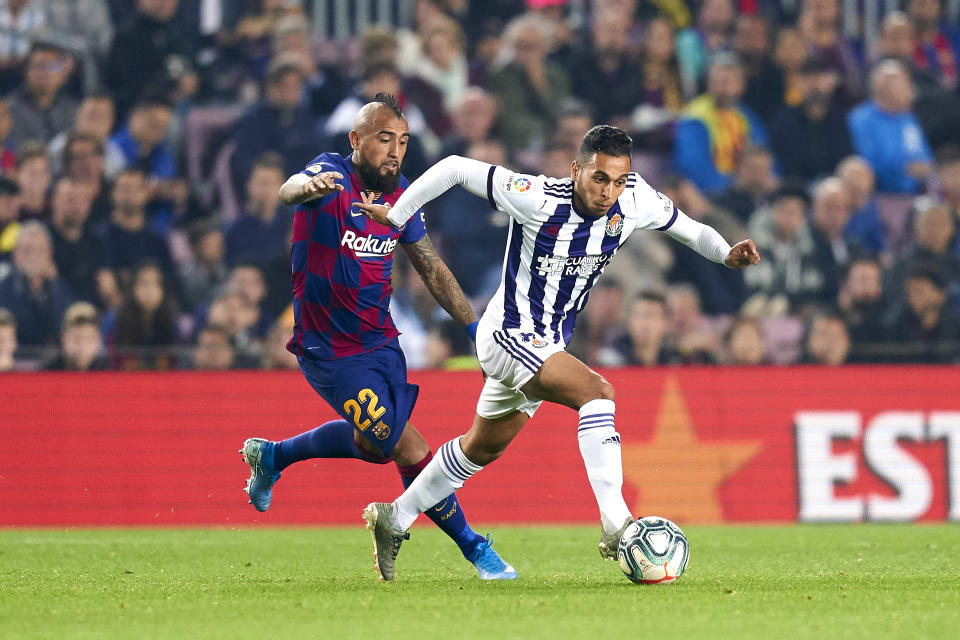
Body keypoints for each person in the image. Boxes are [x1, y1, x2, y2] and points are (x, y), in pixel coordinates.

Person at [354, 125, 760, 581]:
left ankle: (395, 517)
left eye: (619, 180)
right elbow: (454, 168)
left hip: (547, 344)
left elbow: (691, 230)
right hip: (507, 333)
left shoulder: (635, 199)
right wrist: (397, 214)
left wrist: (726, 254)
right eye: (599, 178)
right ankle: (616, 522)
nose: (609, 191)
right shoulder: (537, 196)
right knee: (597, 392)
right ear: (577, 170)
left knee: (478, 451)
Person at [237, 94, 517, 581]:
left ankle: (273, 455)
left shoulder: (401, 195)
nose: (394, 151)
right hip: (329, 352)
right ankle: (476, 549)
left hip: (382, 343)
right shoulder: (331, 175)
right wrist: (307, 186)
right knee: (408, 448)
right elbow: (288, 190)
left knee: (372, 445)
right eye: (385, 139)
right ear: (356, 140)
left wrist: (475, 328)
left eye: (403, 142)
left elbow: (429, 266)